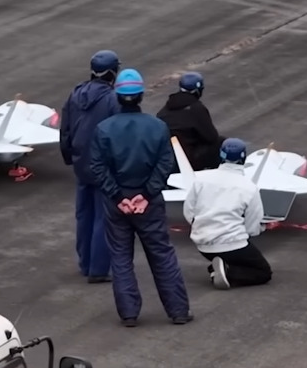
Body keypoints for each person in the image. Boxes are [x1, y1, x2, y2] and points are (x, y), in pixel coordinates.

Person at [86, 69, 191, 327]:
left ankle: (129, 314)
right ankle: (178, 311)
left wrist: (119, 196)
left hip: (116, 203)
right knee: (162, 255)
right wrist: (146, 194)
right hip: (149, 202)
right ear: (141, 95)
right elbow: (166, 164)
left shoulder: (104, 129)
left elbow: (98, 167)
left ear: (118, 97)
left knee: (121, 258)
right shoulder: (157, 127)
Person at [60, 50, 122, 283]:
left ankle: (84, 262)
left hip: (80, 161)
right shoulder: (112, 100)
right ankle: (97, 268)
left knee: (83, 215)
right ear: (113, 73)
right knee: (103, 217)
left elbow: (65, 128)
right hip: (103, 165)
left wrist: (69, 156)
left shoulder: (76, 94)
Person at [181, 138, 272, 290]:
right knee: (263, 272)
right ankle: (227, 272)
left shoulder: (201, 180)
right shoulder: (249, 187)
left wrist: (200, 226)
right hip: (233, 245)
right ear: (243, 157)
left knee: (232, 254)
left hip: (203, 246)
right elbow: (252, 225)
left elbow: (189, 210)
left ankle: (220, 266)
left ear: (221, 155)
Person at [156, 72, 221, 172]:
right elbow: (211, 137)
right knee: (221, 143)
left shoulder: (164, 111)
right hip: (189, 158)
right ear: (197, 91)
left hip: (167, 158)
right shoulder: (197, 109)